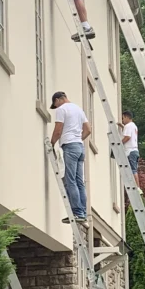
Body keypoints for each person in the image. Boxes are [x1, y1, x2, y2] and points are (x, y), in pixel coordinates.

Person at [50, 91, 91, 223]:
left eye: (55, 105)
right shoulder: (79, 109)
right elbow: (88, 129)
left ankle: (77, 212)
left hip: (70, 146)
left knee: (70, 180)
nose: (56, 107)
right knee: (79, 181)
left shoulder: (62, 109)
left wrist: (51, 144)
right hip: (80, 147)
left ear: (58, 100)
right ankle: (83, 212)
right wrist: (79, 138)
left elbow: (58, 129)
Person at [121, 110, 141, 193]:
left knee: (132, 170)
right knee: (134, 169)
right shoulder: (133, 126)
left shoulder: (128, 126)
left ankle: (137, 187)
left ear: (126, 116)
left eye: (123, 118)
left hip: (130, 151)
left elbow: (127, 137)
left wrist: (120, 143)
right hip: (135, 151)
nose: (122, 120)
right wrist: (122, 126)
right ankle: (137, 187)